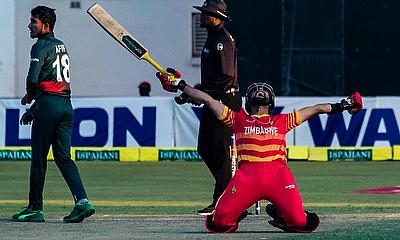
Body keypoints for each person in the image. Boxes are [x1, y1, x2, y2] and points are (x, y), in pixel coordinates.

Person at [157, 68, 363, 233]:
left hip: (278, 176)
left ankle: (279, 213)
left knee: (301, 223)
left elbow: (317, 109)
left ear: (271, 100)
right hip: (247, 176)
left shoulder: (283, 120)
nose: (260, 91)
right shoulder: (237, 119)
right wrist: (179, 85)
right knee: (219, 222)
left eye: (264, 91)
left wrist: (345, 104)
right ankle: (238, 211)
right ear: (249, 99)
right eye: (255, 90)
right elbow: (208, 100)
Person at [12, 6, 95, 223]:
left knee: (39, 158)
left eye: (33, 21)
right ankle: (83, 202)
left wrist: (30, 97)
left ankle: (35, 208)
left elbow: (33, 79)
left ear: (45, 25)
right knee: (64, 158)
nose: (29, 25)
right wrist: (34, 108)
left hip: (49, 105)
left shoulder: (40, 46)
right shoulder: (61, 45)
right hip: (66, 105)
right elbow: (56, 84)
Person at [175, 0, 242, 215]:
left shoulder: (222, 40)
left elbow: (226, 77)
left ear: (218, 17)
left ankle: (224, 201)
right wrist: (197, 94)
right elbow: (213, 80)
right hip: (214, 99)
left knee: (221, 152)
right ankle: (234, 194)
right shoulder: (212, 38)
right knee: (205, 148)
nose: (203, 16)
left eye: (207, 13)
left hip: (224, 101)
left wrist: (205, 96)